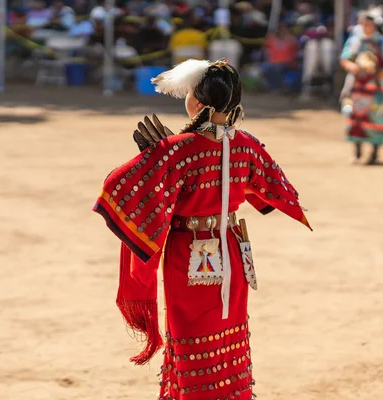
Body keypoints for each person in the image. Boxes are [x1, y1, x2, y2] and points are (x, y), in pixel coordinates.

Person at [93, 59, 311, 399]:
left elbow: (118, 185)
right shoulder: (247, 144)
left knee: (191, 340)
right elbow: (273, 187)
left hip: (189, 252)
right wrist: (170, 154)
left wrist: (158, 158)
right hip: (231, 248)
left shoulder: (177, 150)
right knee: (229, 336)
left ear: (195, 101)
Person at [340, 15, 383, 165]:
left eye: (368, 24)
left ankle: (374, 154)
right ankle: (357, 152)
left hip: (377, 85)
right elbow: (344, 58)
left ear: (374, 25)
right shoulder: (355, 41)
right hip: (358, 85)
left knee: (377, 116)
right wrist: (351, 66)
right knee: (354, 117)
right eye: (363, 24)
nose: (366, 27)